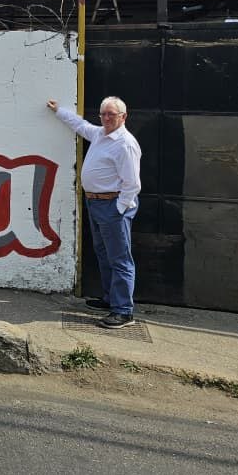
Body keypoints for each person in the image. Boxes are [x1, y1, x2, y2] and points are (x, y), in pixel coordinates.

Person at [47, 96, 141, 329]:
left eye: (111, 114)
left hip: (113, 206)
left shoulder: (125, 144)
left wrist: (118, 209)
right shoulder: (100, 134)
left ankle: (123, 311)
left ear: (123, 117)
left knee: (119, 258)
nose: (106, 118)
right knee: (103, 253)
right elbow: (80, 125)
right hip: (96, 204)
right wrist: (59, 111)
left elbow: (132, 184)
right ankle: (110, 299)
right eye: (103, 114)